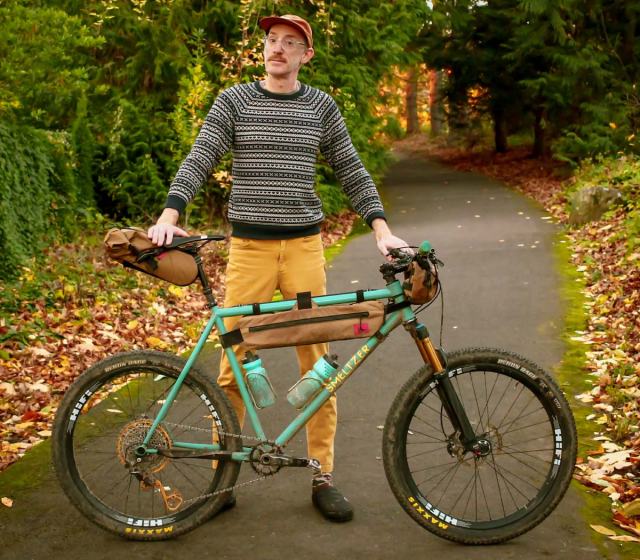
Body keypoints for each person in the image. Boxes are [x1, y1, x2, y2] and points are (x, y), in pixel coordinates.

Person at [149, 14, 408, 523]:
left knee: (318, 362)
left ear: (306, 55)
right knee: (233, 364)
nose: (278, 49)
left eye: (291, 43)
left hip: (304, 249)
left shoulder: (320, 107)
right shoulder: (234, 101)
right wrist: (170, 213)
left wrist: (380, 228)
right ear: (264, 47)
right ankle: (224, 477)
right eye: (272, 40)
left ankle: (322, 475)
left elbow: (351, 168)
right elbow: (201, 156)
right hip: (249, 250)